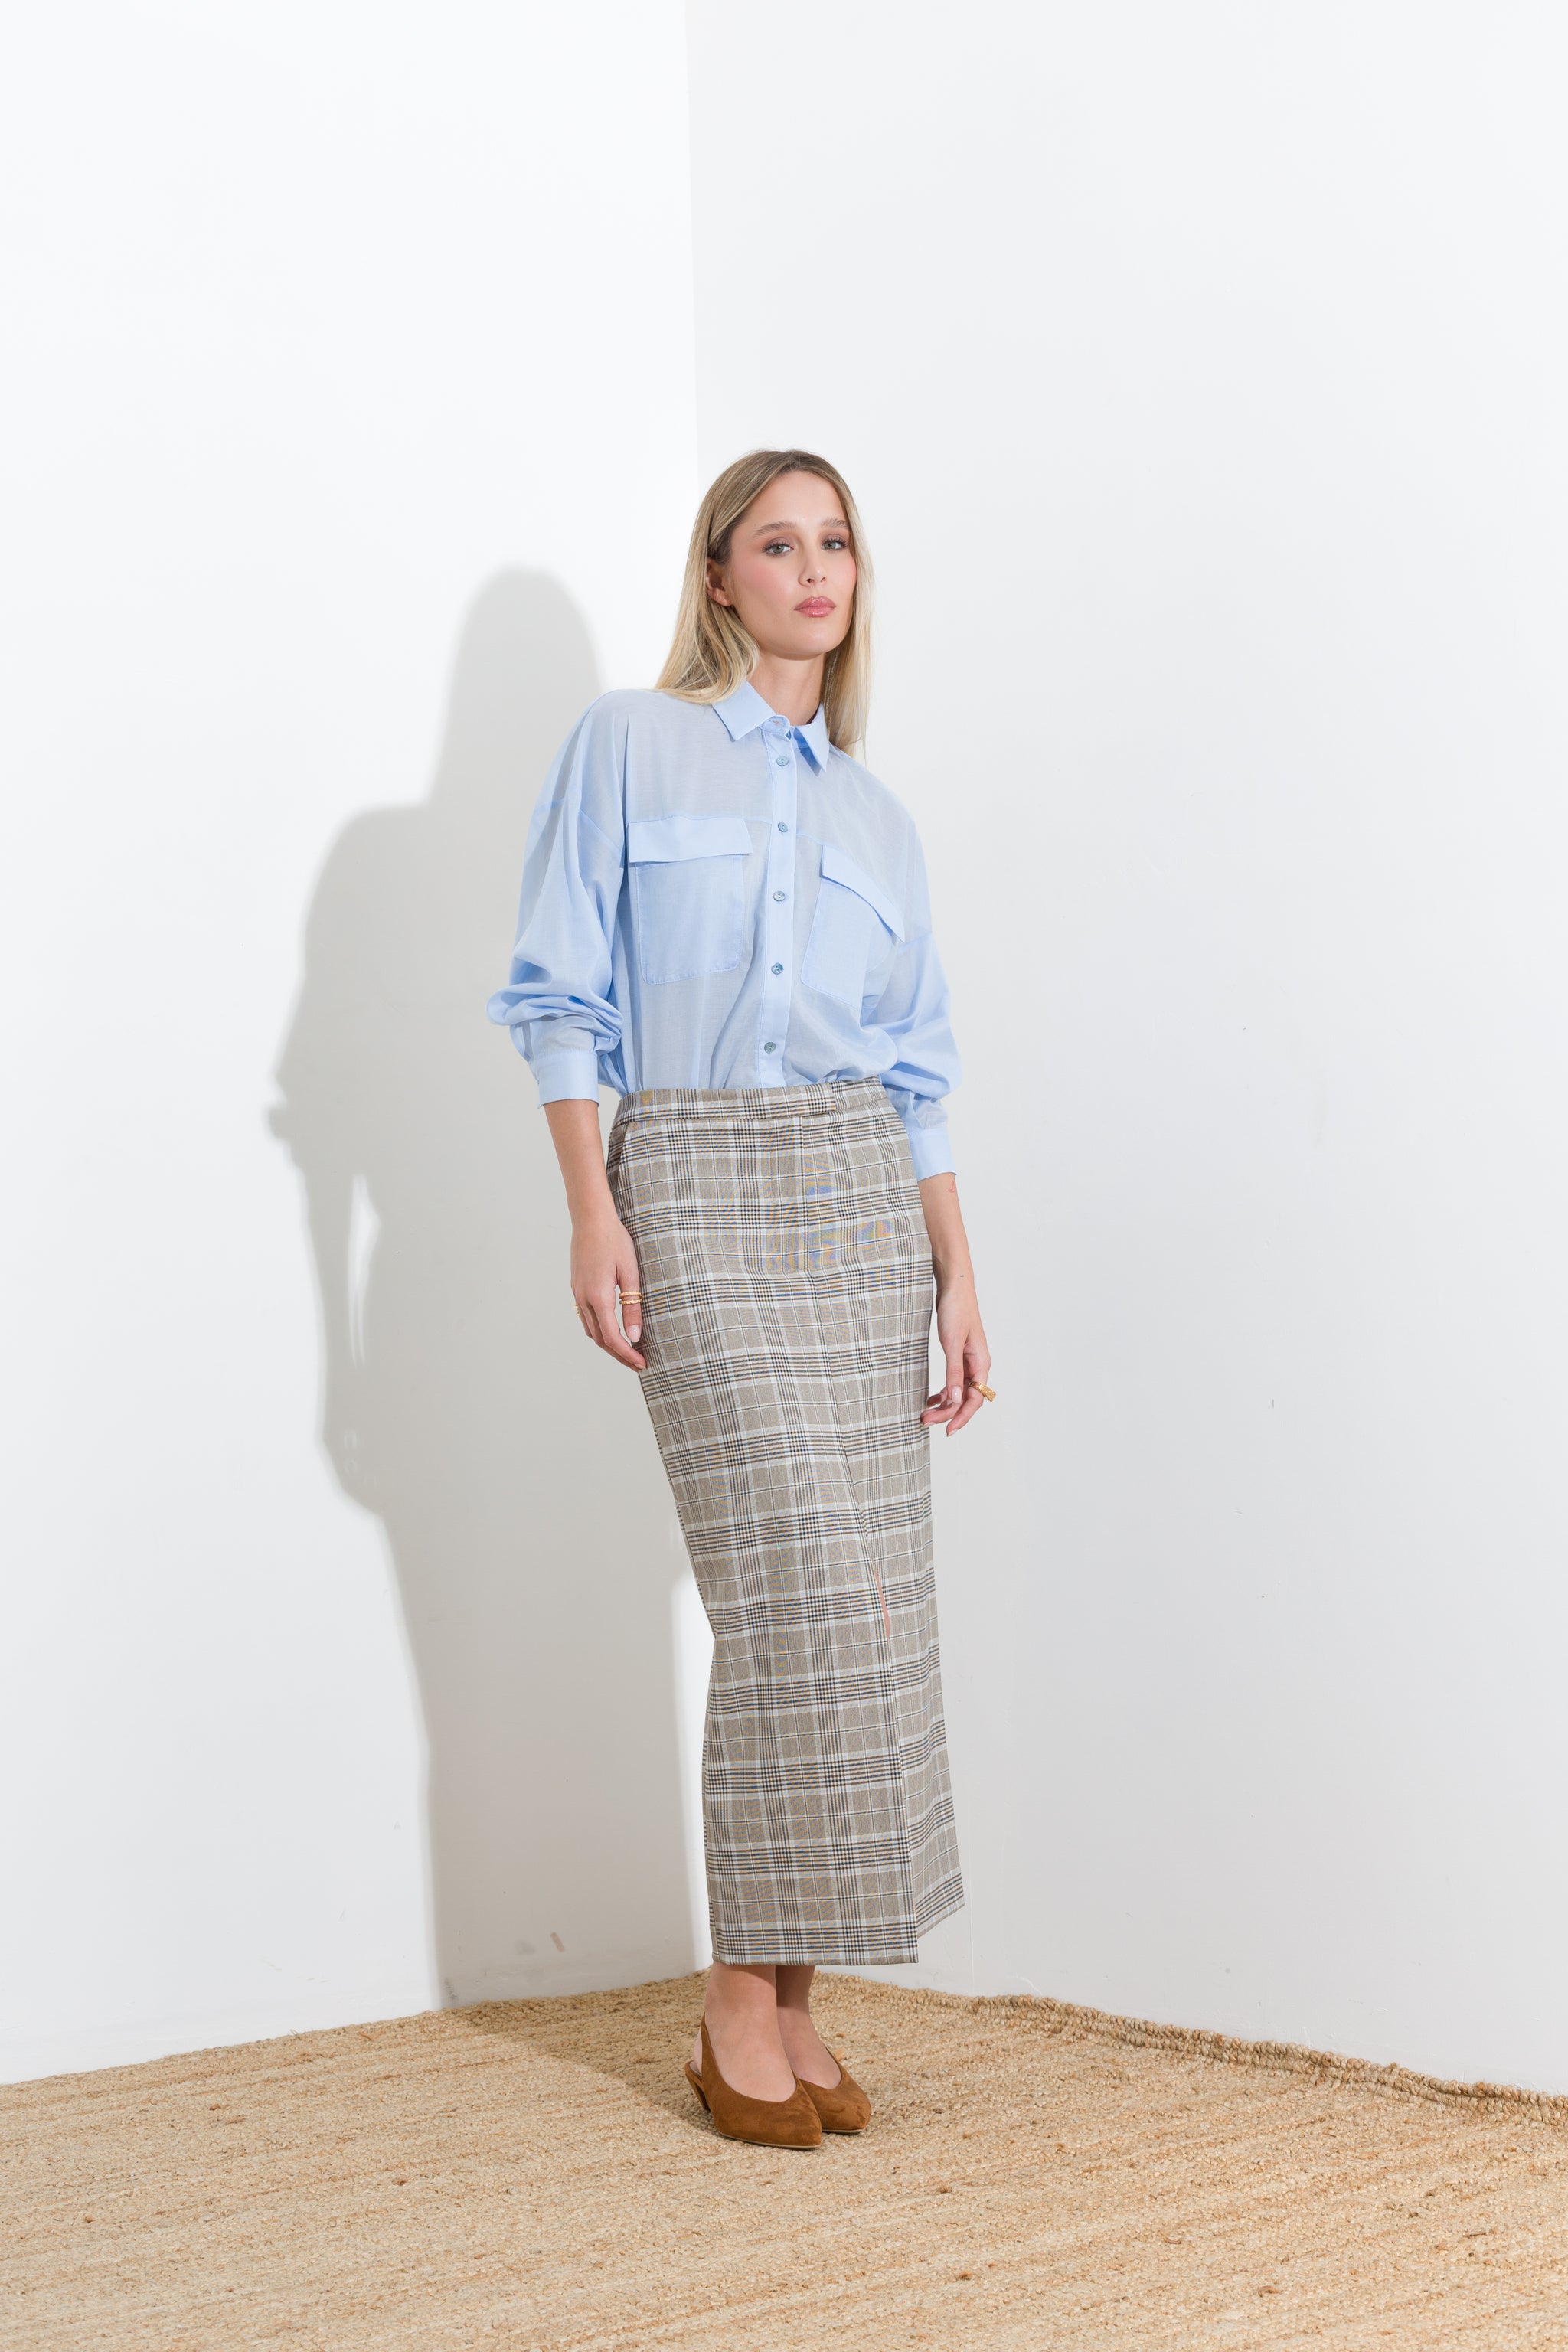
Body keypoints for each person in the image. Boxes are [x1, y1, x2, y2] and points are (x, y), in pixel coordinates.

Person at [487, 449, 992, 2149]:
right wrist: (592, 1208)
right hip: (692, 1170)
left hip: (858, 1189)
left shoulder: (876, 818)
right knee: (786, 1580)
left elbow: (915, 1070)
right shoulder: (629, 744)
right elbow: (559, 990)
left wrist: (958, 1269)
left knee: (866, 1599)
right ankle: (730, 2002)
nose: (814, 567)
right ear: (718, 576)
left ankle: (795, 1998)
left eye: (835, 540)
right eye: (776, 542)